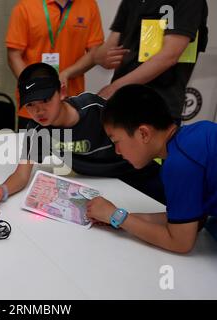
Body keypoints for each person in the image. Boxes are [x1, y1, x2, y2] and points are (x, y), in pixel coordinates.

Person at [0, 63, 165, 205]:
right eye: (30, 105)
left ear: (61, 91)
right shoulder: (36, 129)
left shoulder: (97, 110)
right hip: (96, 188)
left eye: (46, 100)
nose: (39, 111)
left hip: (135, 179)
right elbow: (21, 175)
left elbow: (144, 145)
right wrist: (2, 190)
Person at [86, 84, 217, 253]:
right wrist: (116, 217)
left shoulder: (179, 163)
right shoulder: (196, 135)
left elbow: (180, 242)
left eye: (117, 142)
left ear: (143, 134)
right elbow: (192, 219)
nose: (117, 151)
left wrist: (116, 216)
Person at [94, 0, 208, 121]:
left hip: (159, 107)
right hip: (120, 104)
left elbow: (170, 55)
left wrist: (114, 88)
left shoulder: (189, 3)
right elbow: (110, 46)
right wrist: (100, 56)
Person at [6, 0, 104, 128]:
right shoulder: (25, 6)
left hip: (72, 106)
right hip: (34, 106)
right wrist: (36, 88)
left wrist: (67, 73)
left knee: (72, 147)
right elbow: (14, 55)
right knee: (34, 147)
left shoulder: (88, 5)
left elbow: (95, 52)